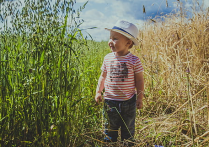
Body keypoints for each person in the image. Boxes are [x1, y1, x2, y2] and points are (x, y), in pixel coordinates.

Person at [95, 20, 144, 145]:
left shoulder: (134, 60)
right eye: (110, 38)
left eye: (115, 39)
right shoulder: (108, 58)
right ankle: (110, 143)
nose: (110, 41)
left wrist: (140, 98)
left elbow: (139, 80)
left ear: (128, 42)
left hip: (129, 102)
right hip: (110, 101)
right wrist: (98, 92)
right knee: (110, 129)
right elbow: (103, 77)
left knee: (128, 130)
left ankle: (126, 143)